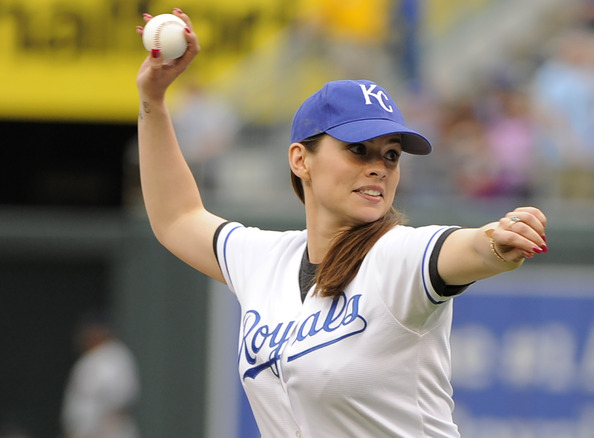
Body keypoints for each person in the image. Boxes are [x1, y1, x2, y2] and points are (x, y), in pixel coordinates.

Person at [136, 9, 547, 437]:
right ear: (300, 159)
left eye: (390, 154)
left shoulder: (397, 256)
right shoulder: (265, 261)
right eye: (358, 150)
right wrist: (153, 99)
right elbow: (176, 217)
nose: (379, 167)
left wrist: (497, 242)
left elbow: (465, 249)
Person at [61, 313, 140, 438]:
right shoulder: (92, 358)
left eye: (92, 331)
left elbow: (118, 402)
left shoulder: (113, 357)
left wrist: (99, 431)